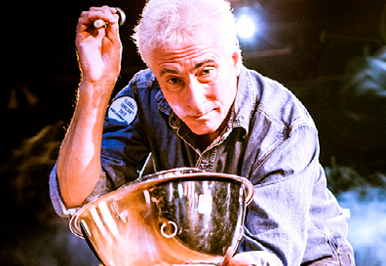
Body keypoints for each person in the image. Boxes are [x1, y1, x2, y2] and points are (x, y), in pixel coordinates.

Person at [49, 0, 354, 265]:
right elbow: (78, 197)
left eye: (206, 71)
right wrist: (96, 85)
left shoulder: (282, 124)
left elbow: (267, 256)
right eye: (173, 80)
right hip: (202, 254)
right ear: (155, 75)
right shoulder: (143, 95)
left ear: (235, 60)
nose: (194, 102)